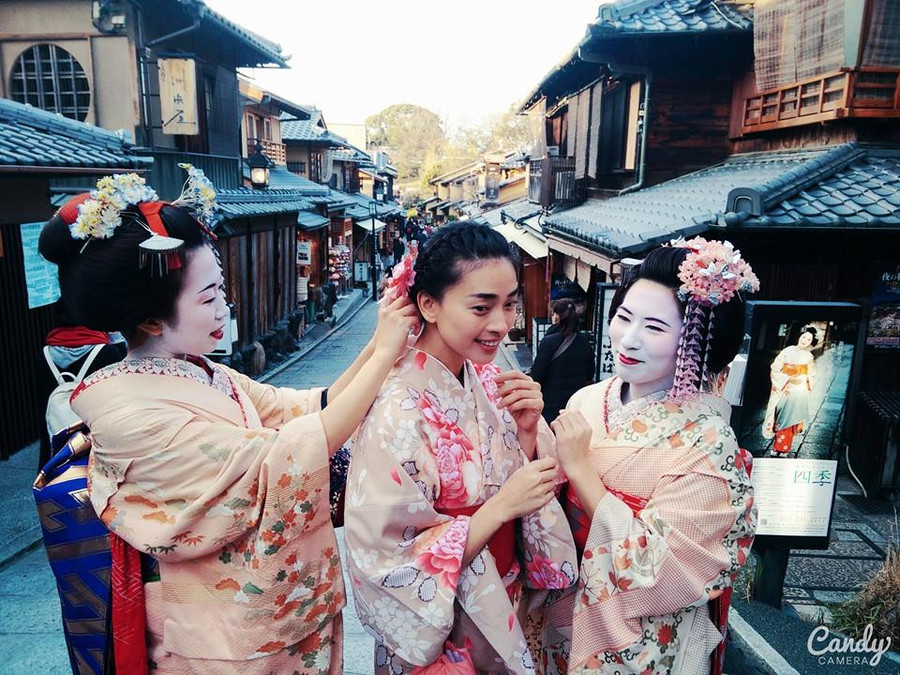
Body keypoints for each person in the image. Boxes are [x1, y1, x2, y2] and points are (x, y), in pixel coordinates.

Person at [39, 169, 418, 674]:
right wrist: (384, 352)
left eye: (221, 290)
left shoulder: (199, 370)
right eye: (208, 297)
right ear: (152, 319)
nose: (224, 307)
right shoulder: (128, 414)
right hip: (218, 642)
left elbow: (307, 407)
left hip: (271, 622)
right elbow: (282, 461)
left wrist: (378, 344)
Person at [345, 222, 577, 674]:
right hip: (443, 622)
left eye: (510, 304)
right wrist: (499, 508)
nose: (501, 324)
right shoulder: (396, 409)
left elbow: (526, 486)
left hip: (505, 601)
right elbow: (384, 554)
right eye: (481, 307)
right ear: (429, 305)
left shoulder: (490, 381)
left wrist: (528, 436)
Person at [546, 237, 759, 675]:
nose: (629, 339)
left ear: (696, 341)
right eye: (624, 317)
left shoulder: (709, 442)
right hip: (562, 609)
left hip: (644, 636)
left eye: (655, 328)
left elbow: (670, 569)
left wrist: (583, 471)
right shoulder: (589, 399)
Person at [530, 299, 593, 424]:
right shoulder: (584, 341)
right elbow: (590, 373)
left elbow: (537, 375)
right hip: (574, 405)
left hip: (550, 405)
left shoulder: (549, 341)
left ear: (556, 317)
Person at [763, 325, 817, 455]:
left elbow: (812, 375)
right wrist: (788, 378)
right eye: (804, 337)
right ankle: (777, 447)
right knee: (779, 415)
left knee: (790, 417)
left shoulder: (809, 357)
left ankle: (784, 448)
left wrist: (804, 380)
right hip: (784, 386)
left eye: (808, 340)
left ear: (811, 343)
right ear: (800, 336)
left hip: (798, 389)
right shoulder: (788, 350)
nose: (804, 340)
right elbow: (775, 368)